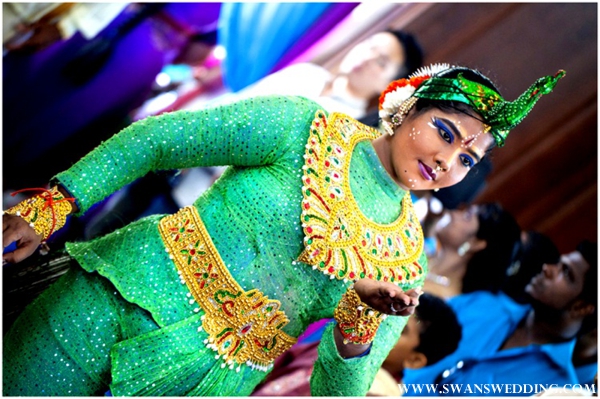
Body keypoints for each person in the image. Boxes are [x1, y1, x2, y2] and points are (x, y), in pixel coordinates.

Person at [2, 64, 564, 396]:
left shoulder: (403, 264)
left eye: (466, 160)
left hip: (203, 381)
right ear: (407, 109)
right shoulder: (301, 125)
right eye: (444, 132)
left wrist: (357, 320)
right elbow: (159, 141)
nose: (446, 161)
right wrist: (55, 202)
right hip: (118, 296)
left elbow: (333, 391)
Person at [403, 240, 598, 396]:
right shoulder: (484, 302)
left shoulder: (558, 388)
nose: (548, 268)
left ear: (581, 307)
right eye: (558, 263)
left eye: (565, 272)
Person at [251, 293, 462, 396]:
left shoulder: (378, 393)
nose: (382, 326)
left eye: (400, 331)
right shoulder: (339, 347)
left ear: (414, 360)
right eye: (386, 316)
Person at [210, 29, 423, 120]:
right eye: (370, 46)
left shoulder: (345, 121)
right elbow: (240, 101)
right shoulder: (307, 73)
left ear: (389, 87)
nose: (366, 57)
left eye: (380, 61)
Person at [423, 202, 521, 299]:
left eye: (467, 216)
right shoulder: (425, 254)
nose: (454, 214)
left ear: (476, 244)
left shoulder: (440, 298)